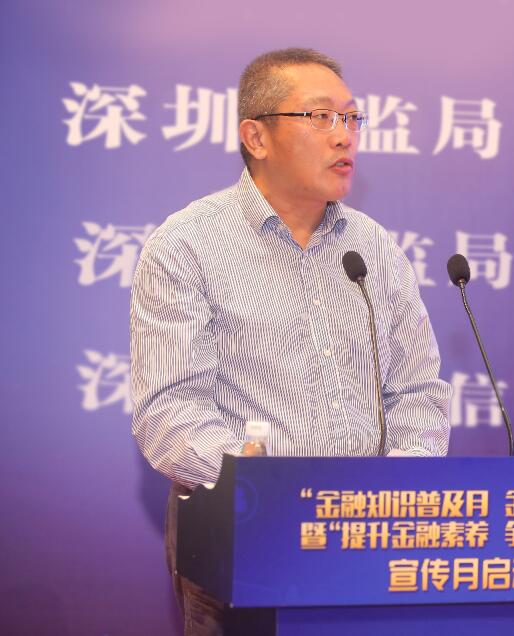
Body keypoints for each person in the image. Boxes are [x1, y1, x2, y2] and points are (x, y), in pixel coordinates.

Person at [130, 48, 451, 635]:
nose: (344, 136)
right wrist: (272, 493)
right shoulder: (187, 245)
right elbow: (169, 411)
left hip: (369, 541)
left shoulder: (374, 248)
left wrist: (400, 488)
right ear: (256, 137)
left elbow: (417, 393)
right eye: (321, 117)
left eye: (351, 118)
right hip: (244, 540)